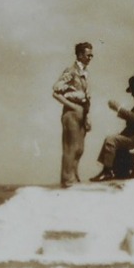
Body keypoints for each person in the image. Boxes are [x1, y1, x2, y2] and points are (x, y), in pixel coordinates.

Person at [91, 74, 134, 181]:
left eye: (133, 91)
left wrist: (118, 108)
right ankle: (111, 171)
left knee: (111, 140)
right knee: (115, 139)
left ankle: (107, 172)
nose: (132, 95)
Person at [52, 41, 93, 187]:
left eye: (91, 55)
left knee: (79, 149)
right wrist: (73, 106)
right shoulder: (71, 71)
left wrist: (86, 117)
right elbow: (56, 91)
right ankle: (67, 179)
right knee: (71, 147)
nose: (90, 58)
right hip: (71, 113)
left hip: (82, 112)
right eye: (88, 55)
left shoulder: (84, 73)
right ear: (80, 55)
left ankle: (74, 177)